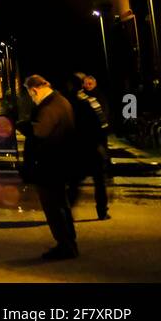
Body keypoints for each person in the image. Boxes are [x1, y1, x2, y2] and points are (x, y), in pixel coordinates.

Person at [18, 74, 79, 260]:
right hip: (61, 162)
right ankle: (68, 243)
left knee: (54, 207)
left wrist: (23, 126)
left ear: (34, 90)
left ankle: (65, 245)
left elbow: (40, 131)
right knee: (61, 205)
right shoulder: (61, 101)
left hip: (50, 165)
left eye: (31, 94)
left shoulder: (50, 107)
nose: (32, 99)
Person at [70, 73, 111, 221]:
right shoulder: (93, 101)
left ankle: (68, 211)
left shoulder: (70, 100)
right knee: (99, 181)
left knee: (75, 181)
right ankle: (102, 211)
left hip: (79, 146)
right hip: (93, 146)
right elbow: (103, 123)